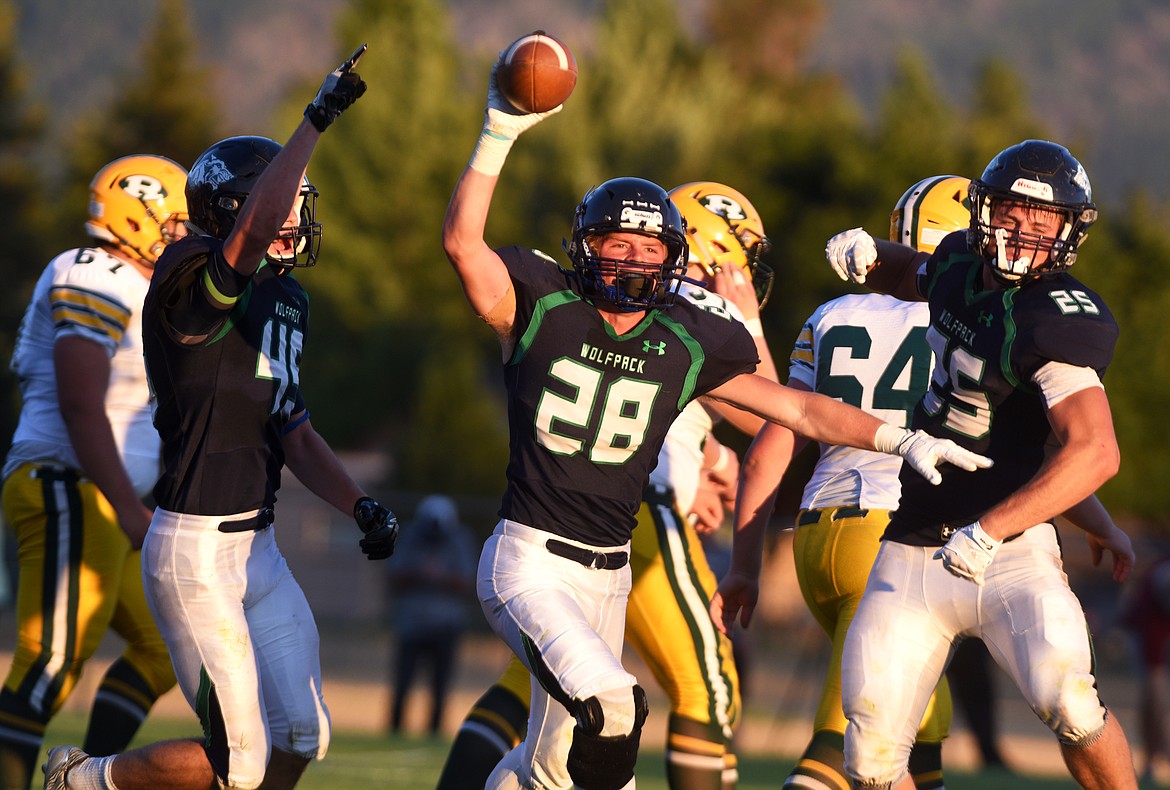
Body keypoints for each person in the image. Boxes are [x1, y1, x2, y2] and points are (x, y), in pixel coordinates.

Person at [439, 59, 991, 790]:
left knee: (545, 768)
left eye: (649, 249)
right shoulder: (544, 305)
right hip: (531, 560)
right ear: (583, 245)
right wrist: (500, 131)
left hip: (608, 573)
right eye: (616, 244)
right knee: (616, 708)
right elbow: (462, 245)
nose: (632, 261)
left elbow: (789, 407)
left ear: (673, 260)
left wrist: (899, 437)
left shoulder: (684, 336)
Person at [42, 45, 399, 790]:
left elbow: (293, 427)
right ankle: (81, 779)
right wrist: (314, 123)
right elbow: (238, 252)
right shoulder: (186, 272)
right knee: (241, 762)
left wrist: (359, 502)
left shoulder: (287, 299)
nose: (299, 214)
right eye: (287, 199)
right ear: (244, 208)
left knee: (304, 734)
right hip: (194, 554)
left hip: (257, 551)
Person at [435, 181, 781, 790]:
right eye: (737, 254)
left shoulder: (626, 310)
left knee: (541, 688)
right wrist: (747, 318)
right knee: (706, 687)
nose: (743, 270)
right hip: (636, 513)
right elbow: (776, 419)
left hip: (579, 520)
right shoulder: (694, 316)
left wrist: (708, 456)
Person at [814, 139, 1138, 789]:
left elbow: (1093, 450)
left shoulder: (1055, 318)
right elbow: (917, 274)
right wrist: (871, 260)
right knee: (870, 759)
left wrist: (992, 531)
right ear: (984, 212)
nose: (1025, 232)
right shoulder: (960, 261)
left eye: (1043, 222)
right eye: (1013, 213)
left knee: (1071, 704)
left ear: (1069, 231)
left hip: (1008, 551)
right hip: (912, 545)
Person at [714, 174, 972, 790]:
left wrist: (745, 565)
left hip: (818, 535)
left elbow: (771, 446)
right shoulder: (968, 317)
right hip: (897, 536)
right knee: (841, 750)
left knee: (919, 734)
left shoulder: (833, 314)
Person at [0, 154, 188, 790]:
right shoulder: (95, 270)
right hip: (68, 484)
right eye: (176, 221)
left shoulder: (141, 286)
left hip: (103, 498)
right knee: (50, 658)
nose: (184, 233)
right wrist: (133, 510)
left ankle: (79, 776)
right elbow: (82, 404)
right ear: (139, 217)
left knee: (161, 649)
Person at [387, 494, 477, 736]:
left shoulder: (460, 540)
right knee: (403, 683)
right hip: (411, 624)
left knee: (440, 686)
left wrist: (441, 576)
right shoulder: (410, 537)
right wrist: (419, 573)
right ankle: (394, 731)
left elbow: (467, 582)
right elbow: (394, 576)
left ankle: (434, 734)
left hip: (446, 626)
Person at [1119, 550, 1170, 782]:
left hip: (1153, 634)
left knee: (1154, 697)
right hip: (1151, 635)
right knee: (1154, 695)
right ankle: (1155, 756)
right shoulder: (1163, 571)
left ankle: (1154, 756)